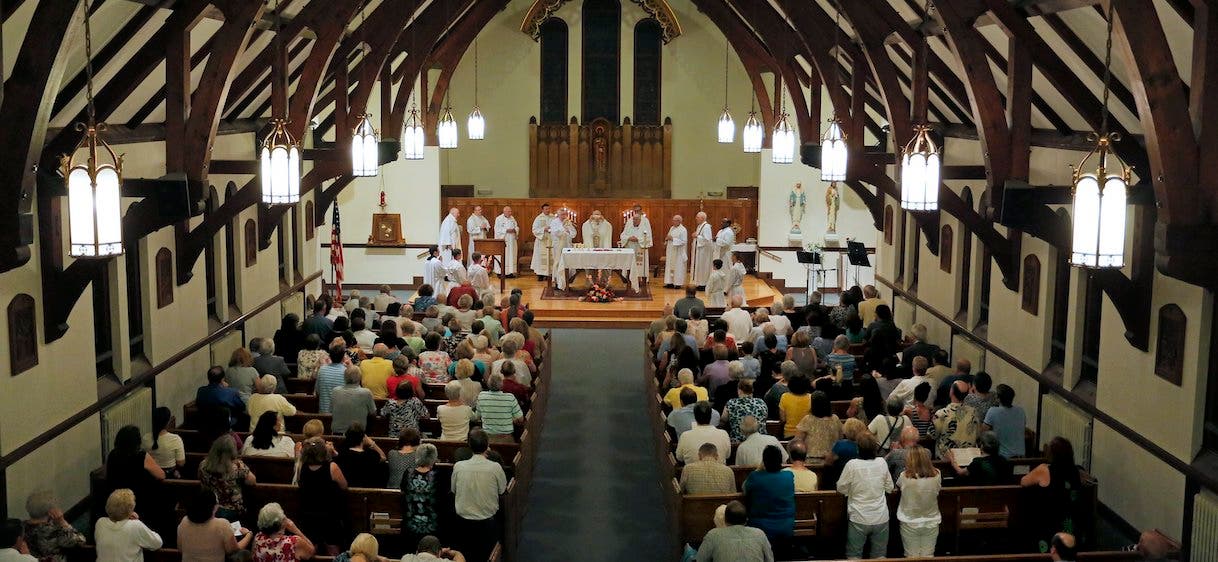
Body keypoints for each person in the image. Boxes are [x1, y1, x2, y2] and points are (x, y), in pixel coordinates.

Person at [452, 429, 507, 562]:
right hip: (487, 523)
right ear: (487, 445)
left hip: (463, 523)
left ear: (469, 445)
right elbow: (502, 490)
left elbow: (453, 490)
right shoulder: (495, 467)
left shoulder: (459, 466)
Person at [836, 433, 894, 559]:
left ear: (858, 449)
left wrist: (850, 491)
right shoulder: (882, 462)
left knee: (854, 555)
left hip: (859, 516)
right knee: (879, 556)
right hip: (880, 516)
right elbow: (890, 487)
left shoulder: (852, 465)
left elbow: (841, 487)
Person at [1022, 437, 1085, 551]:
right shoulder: (1075, 471)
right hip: (1070, 525)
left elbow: (1023, 482)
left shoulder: (1044, 470)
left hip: (1048, 524)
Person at [295, 440, 348, 551]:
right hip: (329, 516)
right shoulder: (331, 467)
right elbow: (344, 486)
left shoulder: (302, 467)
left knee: (311, 550)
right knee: (332, 550)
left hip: (309, 516)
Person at [743, 446, 795, 554]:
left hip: (760, 529)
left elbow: (744, 489)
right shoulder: (788, 476)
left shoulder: (755, 477)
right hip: (785, 528)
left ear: (764, 462)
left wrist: (759, 468)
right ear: (780, 461)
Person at [104, 427, 166, 517]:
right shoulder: (141, 456)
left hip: (116, 497)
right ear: (137, 442)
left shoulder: (112, 454)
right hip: (138, 499)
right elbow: (161, 475)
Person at [177, 489, 252, 561]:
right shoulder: (222, 525)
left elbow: (180, 549)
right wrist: (249, 534)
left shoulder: (184, 521)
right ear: (214, 507)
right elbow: (234, 550)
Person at [895, 446, 942, 557]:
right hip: (931, 520)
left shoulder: (904, 476)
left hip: (909, 520)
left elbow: (898, 485)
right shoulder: (937, 475)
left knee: (911, 556)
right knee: (928, 555)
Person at [95, 489, 164, 562]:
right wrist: (137, 521)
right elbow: (157, 543)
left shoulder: (100, 523)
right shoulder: (135, 526)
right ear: (130, 510)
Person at [694, 500, 774, 562]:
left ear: (725, 520)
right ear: (746, 520)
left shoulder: (713, 535)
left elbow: (700, 560)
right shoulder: (760, 534)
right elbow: (770, 560)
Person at [198, 436, 256, 521]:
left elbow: (201, 480)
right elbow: (252, 481)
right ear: (232, 451)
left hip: (209, 506)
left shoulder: (203, 465)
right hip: (232, 509)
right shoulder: (237, 467)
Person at [21, 491, 85, 562]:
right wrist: (62, 522)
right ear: (50, 511)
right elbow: (81, 541)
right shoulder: (55, 531)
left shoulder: (20, 528)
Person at [400, 445, 441, 550]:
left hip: (410, 527)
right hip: (433, 530)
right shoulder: (439, 475)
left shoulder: (407, 473)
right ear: (434, 458)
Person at [930, 380, 980, 458]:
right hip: (968, 458)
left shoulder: (942, 414)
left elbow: (931, 435)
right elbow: (977, 435)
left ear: (951, 392)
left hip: (947, 459)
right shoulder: (973, 413)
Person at [947, 431, 1012, 485]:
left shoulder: (978, 462)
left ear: (982, 446)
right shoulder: (1003, 460)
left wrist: (952, 459)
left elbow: (960, 472)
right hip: (1001, 496)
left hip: (981, 496)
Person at [335, 424, 387, 488]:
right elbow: (383, 457)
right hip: (368, 494)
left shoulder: (342, 454)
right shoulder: (371, 455)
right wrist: (372, 443)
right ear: (363, 438)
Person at [476, 373, 524, 441]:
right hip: (506, 438)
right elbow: (520, 419)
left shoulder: (481, 396)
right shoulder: (510, 397)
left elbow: (477, 416)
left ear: (488, 384)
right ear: (501, 385)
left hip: (487, 439)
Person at [984, 384, 1027, 458]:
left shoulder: (993, 411)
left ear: (998, 398)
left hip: (1002, 457)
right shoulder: (1021, 411)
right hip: (1020, 456)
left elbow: (983, 432)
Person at [331, 366, 377, 434]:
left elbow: (331, 410)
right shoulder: (366, 393)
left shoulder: (335, 391)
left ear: (344, 377)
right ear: (360, 378)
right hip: (357, 435)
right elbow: (373, 413)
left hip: (337, 433)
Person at [147, 407, 185, 477]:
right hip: (170, 475)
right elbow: (181, 463)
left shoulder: (145, 438)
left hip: (150, 476)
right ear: (168, 422)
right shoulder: (176, 439)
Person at [315, 342, 348, 413]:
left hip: (324, 412)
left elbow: (317, 392)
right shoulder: (346, 372)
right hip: (341, 414)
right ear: (343, 358)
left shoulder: (322, 370)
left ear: (329, 356)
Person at [620, 211, 653, 281]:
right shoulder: (628, 227)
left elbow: (648, 238)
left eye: (636, 219)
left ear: (640, 220)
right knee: (630, 264)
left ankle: (640, 279)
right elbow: (622, 236)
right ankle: (629, 279)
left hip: (639, 249)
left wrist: (638, 239)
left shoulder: (644, 228)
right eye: (633, 219)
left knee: (639, 265)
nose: (634, 221)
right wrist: (629, 238)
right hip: (630, 249)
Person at [778, 375, 812, 439]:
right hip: (806, 435)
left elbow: (783, 419)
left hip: (788, 435)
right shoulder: (811, 398)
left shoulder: (784, 397)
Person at [662, 215, 689, 288]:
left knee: (678, 268)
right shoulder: (672, 228)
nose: (673, 222)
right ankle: (669, 282)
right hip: (670, 251)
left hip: (678, 253)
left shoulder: (683, 230)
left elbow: (684, 241)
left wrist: (673, 239)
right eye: (673, 220)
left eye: (674, 220)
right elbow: (668, 236)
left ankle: (677, 283)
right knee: (669, 266)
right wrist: (666, 240)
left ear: (679, 221)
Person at [530, 204, 557, 279]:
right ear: (542, 210)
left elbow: (557, 227)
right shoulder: (538, 218)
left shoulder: (553, 217)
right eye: (546, 209)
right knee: (540, 258)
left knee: (551, 257)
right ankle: (540, 275)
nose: (548, 210)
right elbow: (534, 230)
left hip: (551, 240)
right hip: (542, 241)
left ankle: (550, 273)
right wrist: (543, 229)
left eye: (548, 209)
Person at [493, 206, 519, 277]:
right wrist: (506, 230)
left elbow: (516, 226)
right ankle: (500, 272)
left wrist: (515, 230)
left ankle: (510, 273)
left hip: (512, 241)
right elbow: (497, 230)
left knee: (511, 256)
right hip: (503, 240)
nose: (510, 213)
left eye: (510, 211)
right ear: (504, 211)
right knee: (503, 256)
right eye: (509, 211)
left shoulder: (512, 218)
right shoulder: (499, 219)